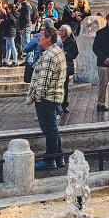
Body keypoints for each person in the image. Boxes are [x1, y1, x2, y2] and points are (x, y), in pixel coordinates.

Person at [28, 26, 69, 171]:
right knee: (53, 129)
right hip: (54, 95)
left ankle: (49, 159)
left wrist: (38, 97)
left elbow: (44, 80)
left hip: (47, 97)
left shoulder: (49, 55)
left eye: (41, 36)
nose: (38, 38)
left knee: (49, 129)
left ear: (49, 38)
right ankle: (58, 157)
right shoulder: (56, 52)